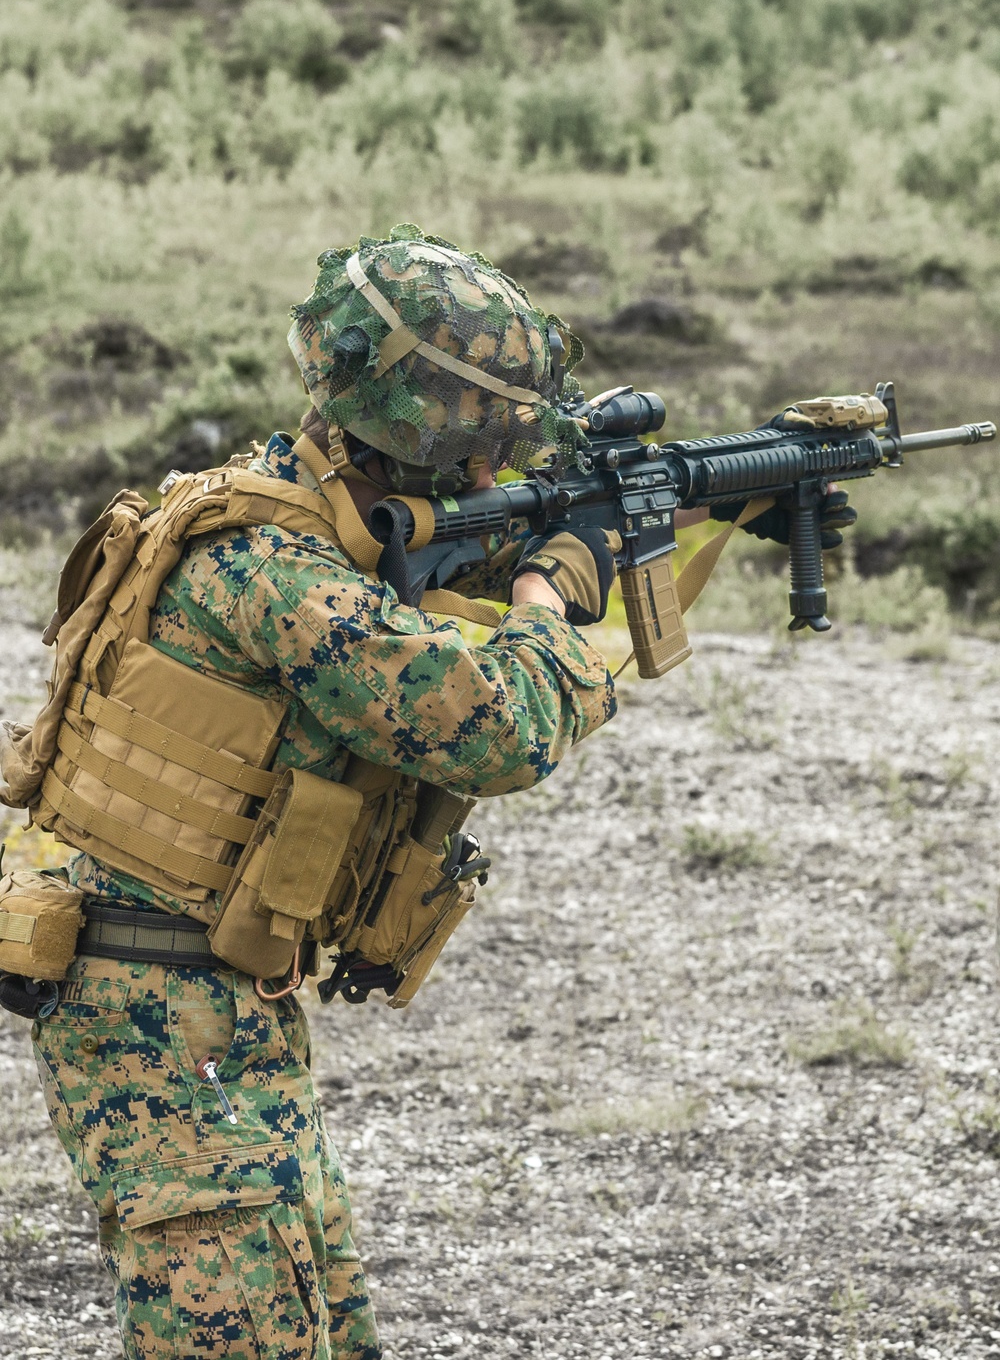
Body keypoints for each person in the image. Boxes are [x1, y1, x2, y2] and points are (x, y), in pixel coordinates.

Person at [16, 225, 624, 1360]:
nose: (497, 473)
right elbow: (496, 730)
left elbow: (410, 593)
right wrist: (550, 592)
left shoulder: (291, 508)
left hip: (214, 994)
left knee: (320, 1322)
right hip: (155, 1007)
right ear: (425, 432)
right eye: (484, 442)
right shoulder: (275, 571)